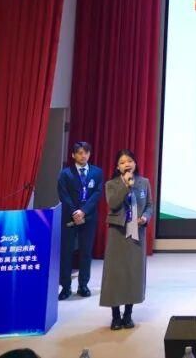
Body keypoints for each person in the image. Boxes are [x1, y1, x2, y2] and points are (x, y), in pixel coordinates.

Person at [100, 149, 153, 330]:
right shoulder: (111, 184)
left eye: (129, 161)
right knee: (115, 274)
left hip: (137, 233)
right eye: (122, 162)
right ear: (117, 167)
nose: (127, 164)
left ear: (135, 164)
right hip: (118, 233)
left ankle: (128, 315)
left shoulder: (144, 182)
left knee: (133, 273)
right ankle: (115, 316)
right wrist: (125, 185)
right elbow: (113, 203)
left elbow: (150, 205)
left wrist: (145, 217)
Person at [56, 141, 103, 299]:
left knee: (86, 252)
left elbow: (97, 193)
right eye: (80, 153)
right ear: (73, 155)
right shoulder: (65, 173)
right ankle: (65, 287)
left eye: (86, 152)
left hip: (88, 217)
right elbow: (63, 194)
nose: (84, 156)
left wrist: (83, 211)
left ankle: (83, 285)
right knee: (66, 252)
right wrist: (75, 212)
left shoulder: (97, 172)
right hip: (69, 217)